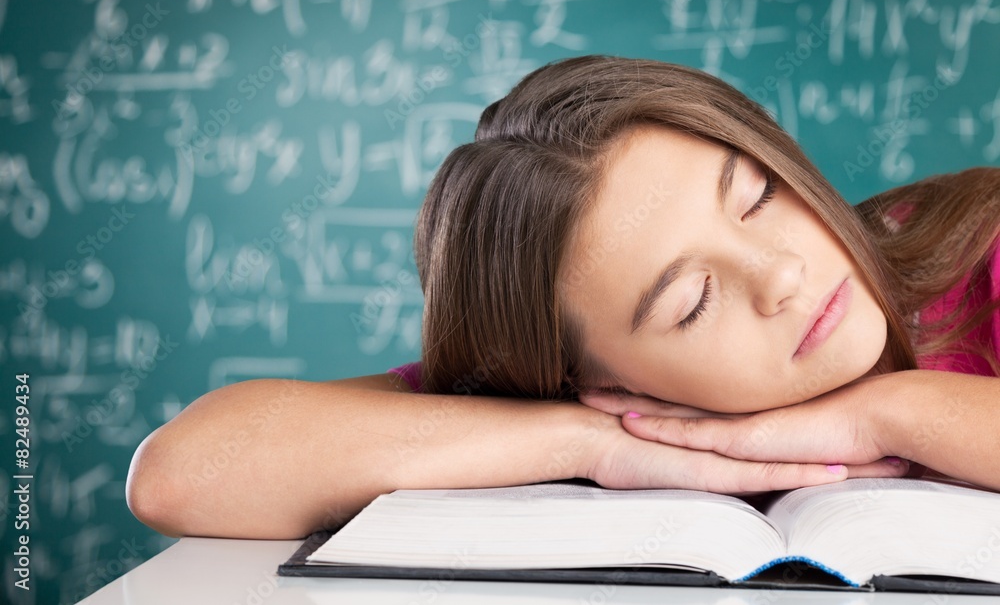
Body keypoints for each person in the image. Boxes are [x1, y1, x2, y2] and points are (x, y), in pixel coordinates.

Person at [126, 56, 1000, 541]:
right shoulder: (598, 408)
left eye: (758, 195)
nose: (780, 274)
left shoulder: (980, 244)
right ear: (599, 379)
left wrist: (886, 411)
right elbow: (180, 475)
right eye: (691, 302)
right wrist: (591, 440)